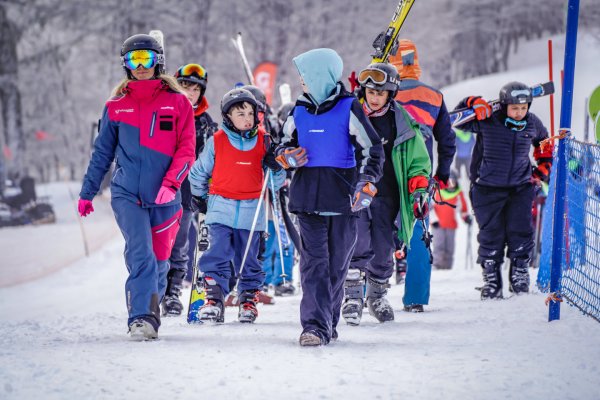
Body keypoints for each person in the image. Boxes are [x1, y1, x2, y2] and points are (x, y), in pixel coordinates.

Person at [78, 34, 196, 340]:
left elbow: (187, 149)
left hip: (166, 197)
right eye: (133, 60)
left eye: (146, 58)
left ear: (158, 61)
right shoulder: (116, 106)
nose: (140, 66)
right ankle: (139, 318)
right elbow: (102, 152)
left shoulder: (178, 102)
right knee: (140, 254)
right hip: (127, 194)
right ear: (125, 64)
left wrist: (171, 185)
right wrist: (88, 192)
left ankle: (150, 315)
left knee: (160, 262)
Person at [275, 48, 383, 346]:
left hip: (343, 202)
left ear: (321, 76)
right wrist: (286, 157)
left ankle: (326, 321)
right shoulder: (297, 111)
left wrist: (366, 181)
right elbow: (280, 147)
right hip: (307, 201)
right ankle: (314, 326)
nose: (302, 82)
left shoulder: (349, 108)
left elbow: (372, 149)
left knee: (336, 267)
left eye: (306, 77)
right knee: (314, 265)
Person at [342, 62, 431, 326]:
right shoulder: (350, 114)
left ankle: (377, 296)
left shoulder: (401, 121)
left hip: (388, 194)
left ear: (391, 94)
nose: (375, 97)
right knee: (356, 243)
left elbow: (418, 160)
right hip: (355, 192)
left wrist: (418, 188)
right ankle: (353, 296)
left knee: (383, 247)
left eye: (381, 93)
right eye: (371, 92)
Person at [188, 88, 285, 324]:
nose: (247, 119)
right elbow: (198, 172)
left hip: (252, 212)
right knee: (218, 253)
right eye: (240, 114)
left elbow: (276, 183)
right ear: (228, 116)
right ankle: (214, 299)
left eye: (250, 114)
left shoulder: (264, 142)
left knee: (250, 258)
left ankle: (248, 300)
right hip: (221, 208)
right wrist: (200, 197)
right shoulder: (217, 141)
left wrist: (276, 166)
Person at [456, 81, 552, 299]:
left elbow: (544, 144)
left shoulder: (532, 123)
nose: (519, 113)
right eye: (514, 108)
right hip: (486, 188)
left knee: (521, 231)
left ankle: (519, 274)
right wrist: (473, 102)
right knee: (491, 234)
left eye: (523, 108)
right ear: (505, 105)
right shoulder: (488, 119)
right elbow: (458, 121)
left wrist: (542, 170)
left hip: (520, 187)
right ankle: (491, 279)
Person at [389, 39, 456, 312]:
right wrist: (442, 174)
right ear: (415, 62)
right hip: (420, 174)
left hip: (386, 171)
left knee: (377, 232)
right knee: (419, 232)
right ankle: (415, 298)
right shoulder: (434, 96)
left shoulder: (381, 91)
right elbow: (448, 141)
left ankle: (364, 293)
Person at [161, 63, 217, 317]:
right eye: (185, 86)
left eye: (196, 89)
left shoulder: (205, 122)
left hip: (188, 193)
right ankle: (154, 289)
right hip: (161, 187)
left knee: (180, 242)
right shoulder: (163, 111)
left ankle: (172, 292)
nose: (190, 92)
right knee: (159, 242)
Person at [431, 173, 471, 270]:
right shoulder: (436, 191)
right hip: (437, 224)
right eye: (448, 181)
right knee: (439, 245)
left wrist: (465, 217)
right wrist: (433, 219)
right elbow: (429, 207)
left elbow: (462, 208)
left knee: (449, 247)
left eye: (453, 181)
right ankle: (437, 264)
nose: (450, 184)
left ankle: (447, 266)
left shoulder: (458, 193)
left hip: (451, 224)